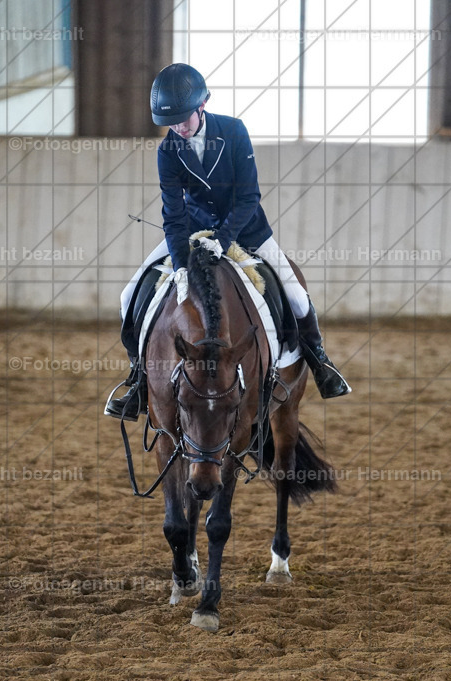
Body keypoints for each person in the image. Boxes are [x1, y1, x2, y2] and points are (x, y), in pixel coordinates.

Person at [105, 63, 349, 420]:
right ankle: (138, 380)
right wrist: (182, 262)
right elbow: (173, 214)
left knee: (295, 293)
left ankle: (320, 362)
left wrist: (222, 240)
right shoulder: (168, 149)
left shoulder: (233, 131)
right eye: (171, 123)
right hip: (191, 229)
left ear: (202, 105)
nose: (178, 128)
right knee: (129, 295)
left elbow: (249, 196)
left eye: (183, 119)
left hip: (246, 228)